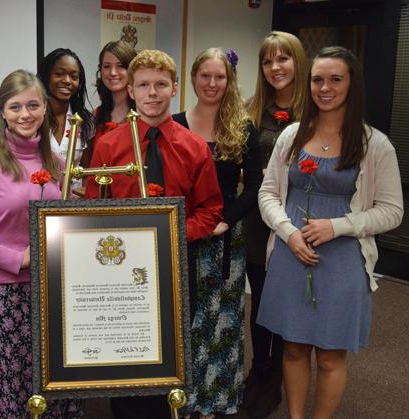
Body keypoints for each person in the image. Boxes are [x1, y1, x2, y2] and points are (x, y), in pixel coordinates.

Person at [257, 46, 403, 419]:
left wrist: (337, 226)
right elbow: (268, 192)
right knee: (292, 349)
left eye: (335, 79)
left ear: (352, 84)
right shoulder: (291, 136)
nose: (325, 87)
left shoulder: (376, 145)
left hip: (342, 260)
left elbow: (392, 212)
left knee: (330, 355)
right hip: (291, 253)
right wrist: (288, 232)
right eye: (318, 79)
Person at [86, 49, 224, 419]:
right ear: (130, 89)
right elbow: (91, 211)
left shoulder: (194, 147)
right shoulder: (108, 145)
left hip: (176, 264)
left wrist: (176, 233)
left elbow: (211, 209)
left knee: (170, 356)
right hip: (119, 274)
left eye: (161, 84)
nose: (152, 93)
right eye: (143, 85)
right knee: (124, 361)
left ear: (175, 88)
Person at [0, 69, 81, 419]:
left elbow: (70, 221)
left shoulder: (59, 165)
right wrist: (18, 259)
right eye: (15, 107)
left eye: (33, 105)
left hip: (54, 290)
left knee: (54, 378)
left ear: (44, 109)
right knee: (11, 383)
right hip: (5, 293)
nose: (25, 114)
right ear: (3, 113)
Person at [173, 48, 262, 419]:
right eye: (205, 76)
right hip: (181, 235)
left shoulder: (241, 127)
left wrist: (226, 218)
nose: (211, 84)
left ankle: (214, 401)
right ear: (193, 78)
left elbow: (255, 184)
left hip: (224, 237)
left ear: (229, 81)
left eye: (219, 77)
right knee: (184, 317)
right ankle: (182, 397)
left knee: (220, 318)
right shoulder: (174, 124)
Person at [242, 31, 307, 418]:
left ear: (297, 62)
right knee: (260, 300)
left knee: (284, 301)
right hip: (257, 221)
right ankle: (259, 370)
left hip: (296, 220)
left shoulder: (316, 110)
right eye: (267, 61)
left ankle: (277, 377)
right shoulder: (251, 111)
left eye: (283, 59)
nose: (275, 68)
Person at [37, 48, 94, 190]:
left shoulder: (86, 121)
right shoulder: (33, 118)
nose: (67, 81)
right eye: (59, 74)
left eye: (74, 77)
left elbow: (87, 172)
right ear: (46, 76)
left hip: (74, 201)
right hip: (40, 196)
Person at [83, 40, 137, 164]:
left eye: (121, 66)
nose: (113, 73)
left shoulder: (144, 115)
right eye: (107, 66)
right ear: (100, 71)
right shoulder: (95, 116)